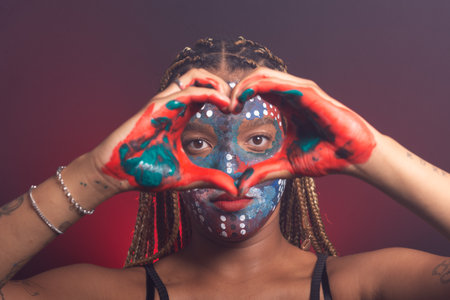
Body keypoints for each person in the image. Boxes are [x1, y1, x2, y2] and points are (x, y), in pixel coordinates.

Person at [0, 37, 449, 300]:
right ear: (163, 154)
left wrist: (371, 153)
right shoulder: (106, 294)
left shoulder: (366, 286)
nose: (230, 168)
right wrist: (97, 174)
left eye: (257, 140)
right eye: (199, 143)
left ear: (293, 146)